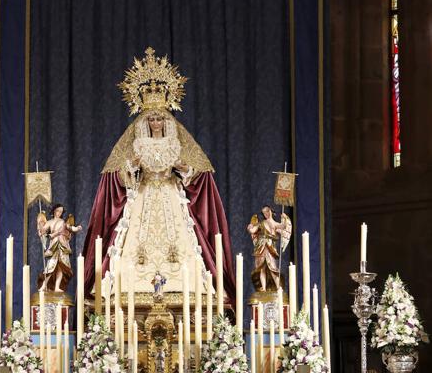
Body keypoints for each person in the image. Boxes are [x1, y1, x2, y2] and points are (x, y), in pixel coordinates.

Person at [82, 48, 236, 303]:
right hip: (142, 197)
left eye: (159, 118)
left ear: (166, 120)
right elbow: (117, 178)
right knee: (132, 246)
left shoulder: (177, 142)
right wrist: (131, 168)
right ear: (145, 121)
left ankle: (186, 290)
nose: (155, 122)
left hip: (170, 198)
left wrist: (183, 168)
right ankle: (129, 292)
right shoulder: (135, 143)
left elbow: (197, 172)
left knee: (183, 244)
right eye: (151, 118)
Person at [37, 204, 82, 293]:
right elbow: (43, 230)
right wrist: (41, 230)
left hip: (63, 245)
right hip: (54, 245)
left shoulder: (63, 222)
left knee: (61, 267)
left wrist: (76, 228)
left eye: (61, 212)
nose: (59, 213)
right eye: (58, 211)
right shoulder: (50, 222)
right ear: (54, 211)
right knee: (51, 266)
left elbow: (70, 227)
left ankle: (57, 287)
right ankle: (44, 285)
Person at [247, 205, 291, 291]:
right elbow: (253, 230)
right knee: (261, 268)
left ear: (271, 211)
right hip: (261, 248)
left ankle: (278, 287)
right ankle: (263, 288)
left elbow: (283, 227)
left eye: (267, 211)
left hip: (270, 247)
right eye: (264, 212)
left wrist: (285, 219)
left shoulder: (275, 224)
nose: (266, 213)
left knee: (272, 268)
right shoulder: (262, 223)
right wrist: (250, 227)